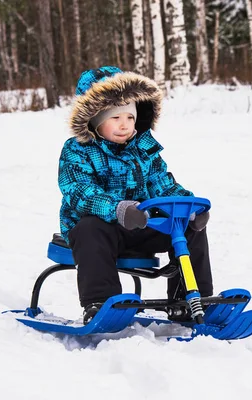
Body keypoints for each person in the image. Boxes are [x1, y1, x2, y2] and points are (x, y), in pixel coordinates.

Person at [58, 66, 213, 324]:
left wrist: (190, 207)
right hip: (102, 229)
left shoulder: (142, 147)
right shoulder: (77, 151)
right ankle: (101, 303)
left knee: (186, 227)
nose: (124, 125)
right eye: (115, 117)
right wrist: (117, 209)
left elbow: (162, 183)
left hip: (140, 223)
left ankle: (190, 300)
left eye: (130, 118)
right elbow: (79, 192)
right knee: (90, 229)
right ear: (95, 119)